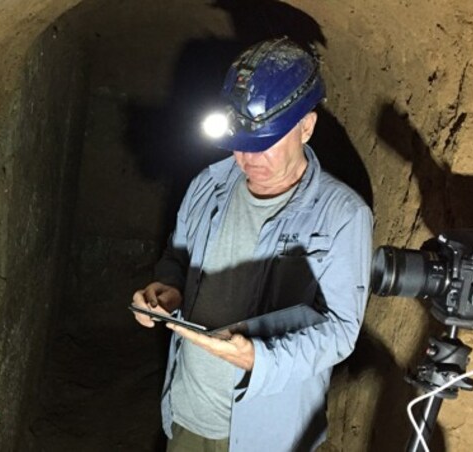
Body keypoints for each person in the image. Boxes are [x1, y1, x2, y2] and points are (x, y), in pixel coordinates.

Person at [131, 38, 373, 452]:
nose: (248, 158)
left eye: (265, 143)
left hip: (268, 433)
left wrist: (263, 359)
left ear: (306, 127)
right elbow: (177, 258)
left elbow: (339, 331)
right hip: (188, 413)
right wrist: (167, 289)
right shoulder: (208, 185)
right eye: (239, 142)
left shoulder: (342, 215)